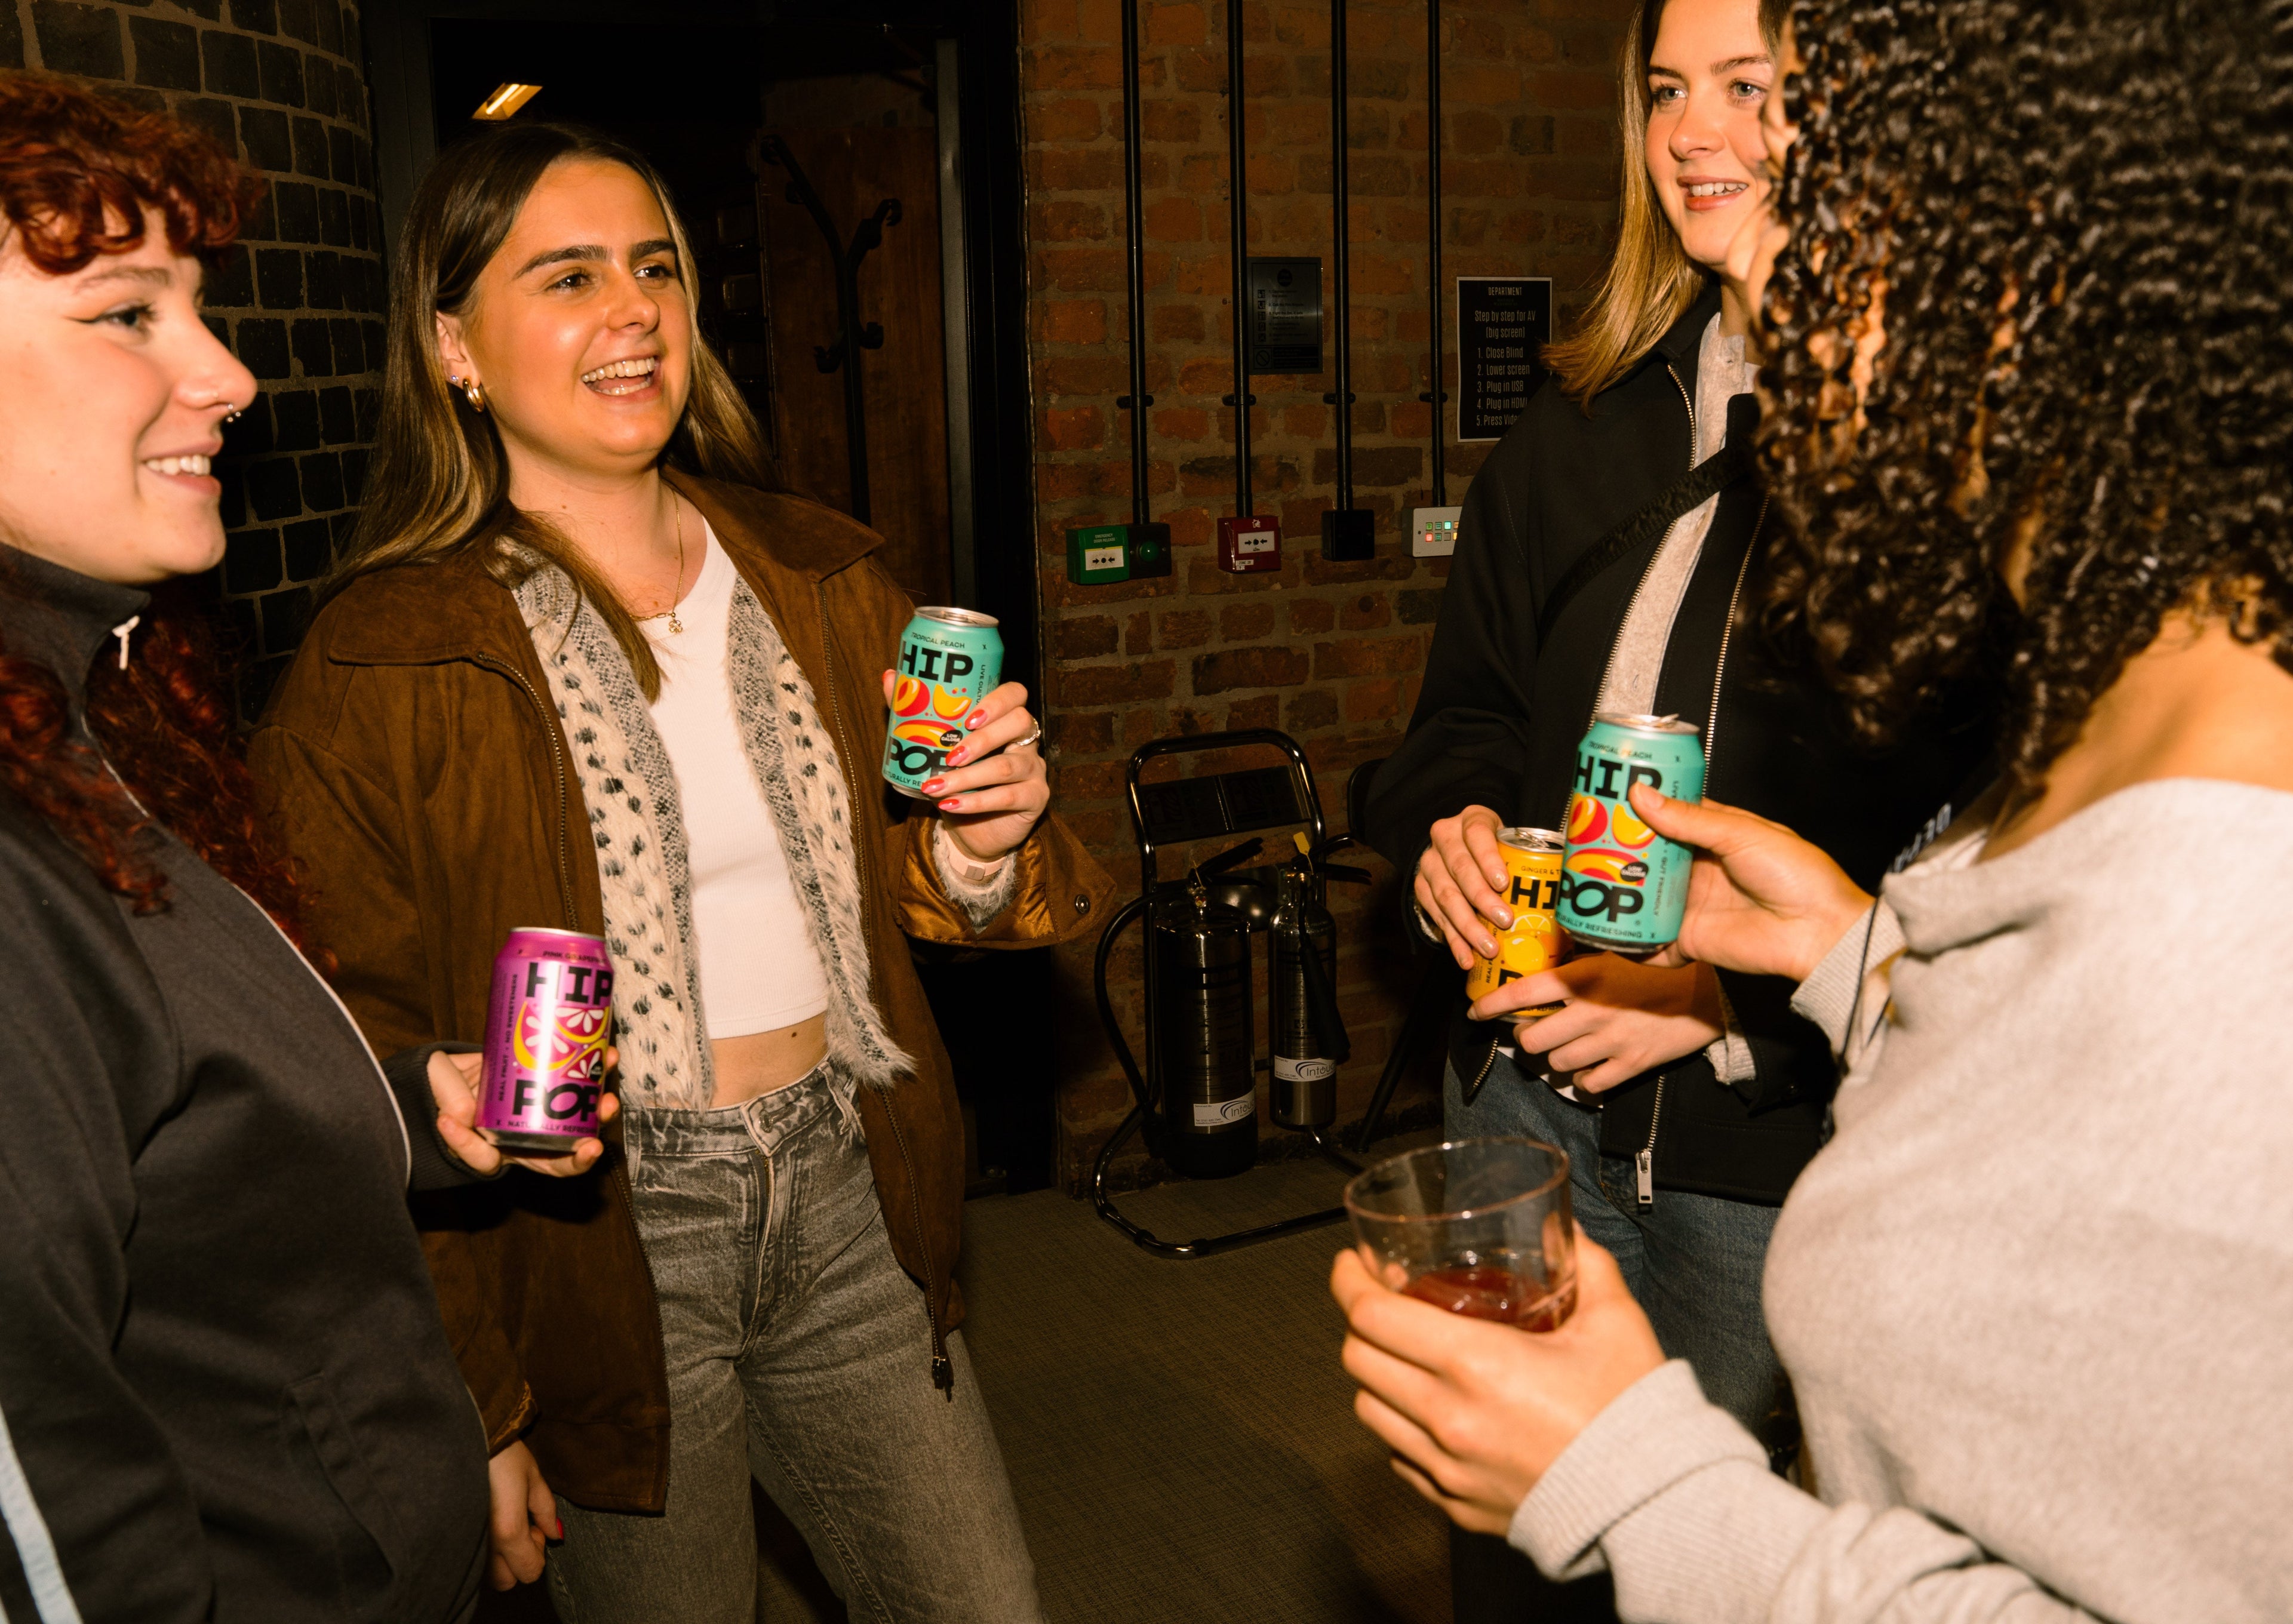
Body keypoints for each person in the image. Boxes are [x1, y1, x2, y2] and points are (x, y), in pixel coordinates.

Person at [1335, 0, 2293, 1619]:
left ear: (2025, 272)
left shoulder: (2221, 873)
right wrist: (1853, 962)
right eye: (1672, 94)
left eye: (1829, 217)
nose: (1775, 290)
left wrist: (1643, 1481)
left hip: (1737, 1152)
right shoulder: (2164, 714)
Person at [250, 121, 1109, 1623]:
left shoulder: (827, 574)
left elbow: (939, 899)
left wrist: (982, 847)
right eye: (568, 276)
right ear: (455, 344)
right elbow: (345, 1056)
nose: (634, 309)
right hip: (599, 1247)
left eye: (653, 267)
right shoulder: (383, 657)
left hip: (847, 1188)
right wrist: (478, 1392)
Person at [1360, 0, 1989, 1611]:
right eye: (1666, 91)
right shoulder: (1580, 415)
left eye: (1748, 88)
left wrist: (1730, 1007)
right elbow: (1466, 720)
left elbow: (1983, 862)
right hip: (1515, 1102)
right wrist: (1450, 836)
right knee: (1507, 1547)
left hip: (1757, 1154)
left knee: (1721, 1559)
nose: (1694, 133)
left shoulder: (1956, 447)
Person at [0, 73, 616, 1622]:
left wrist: (413, 1109)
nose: (226, 375)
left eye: (199, 308)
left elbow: (178, 1111)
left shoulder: (92, 709)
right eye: (126, 315)